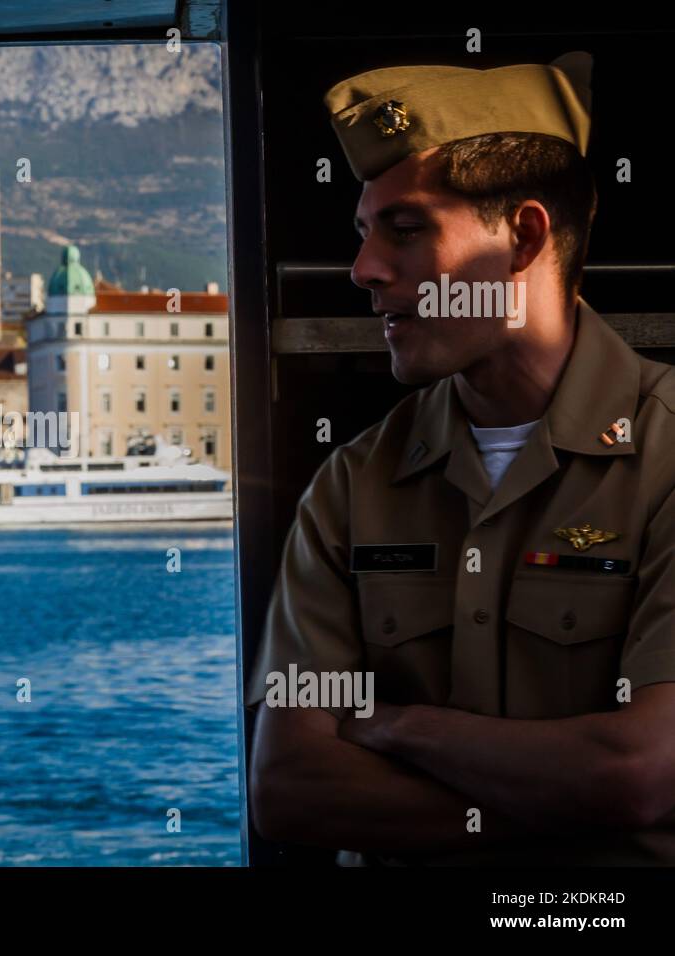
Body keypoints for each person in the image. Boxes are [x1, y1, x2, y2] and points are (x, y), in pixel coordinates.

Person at [244, 52, 675, 864]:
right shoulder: (354, 484)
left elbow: (641, 770)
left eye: (406, 230)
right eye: (366, 234)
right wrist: (593, 813)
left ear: (523, 237)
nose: (364, 270)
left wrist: (398, 726)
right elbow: (289, 783)